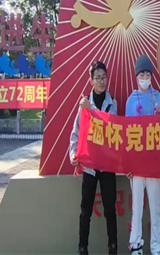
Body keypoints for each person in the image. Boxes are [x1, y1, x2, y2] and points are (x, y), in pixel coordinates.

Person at [69, 61, 118, 255]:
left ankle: (113, 248)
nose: (101, 81)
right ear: (91, 81)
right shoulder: (84, 104)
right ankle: (82, 249)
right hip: (89, 164)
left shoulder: (112, 103)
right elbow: (75, 133)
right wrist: (73, 154)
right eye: (97, 78)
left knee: (110, 210)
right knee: (86, 210)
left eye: (104, 77)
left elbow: (109, 128)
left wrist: (91, 110)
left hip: (107, 164)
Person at [124, 55, 160, 255]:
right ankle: (136, 245)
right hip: (137, 163)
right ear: (136, 77)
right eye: (141, 74)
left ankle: (157, 247)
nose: (144, 77)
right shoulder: (130, 100)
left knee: (155, 209)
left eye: (147, 74)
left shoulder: (157, 97)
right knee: (137, 208)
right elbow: (126, 134)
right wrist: (128, 164)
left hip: (154, 161)